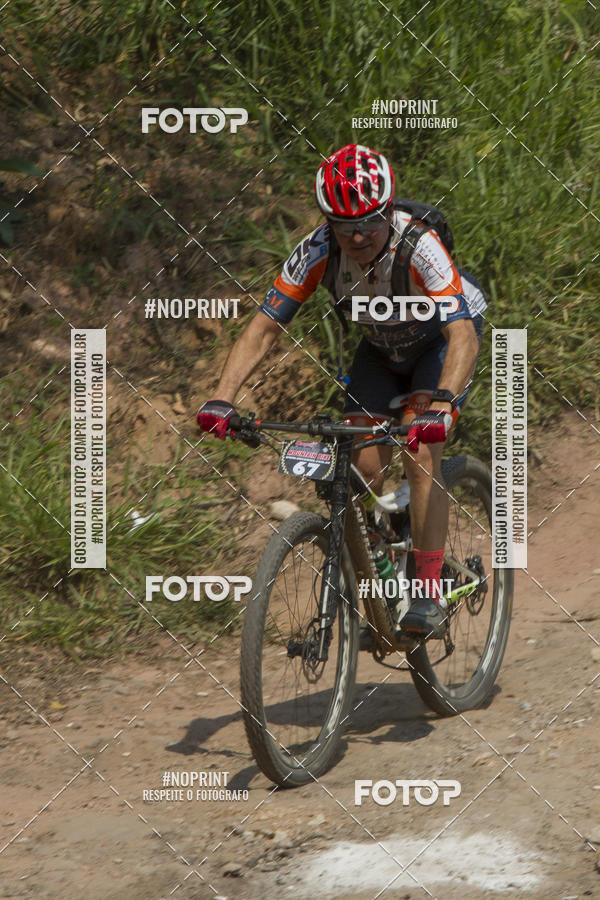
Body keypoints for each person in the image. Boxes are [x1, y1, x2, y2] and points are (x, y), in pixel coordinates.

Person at [197, 143, 486, 639]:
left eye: (370, 222)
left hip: (439, 344)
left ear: (388, 210)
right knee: (360, 466)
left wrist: (439, 407)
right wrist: (223, 397)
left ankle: (430, 588)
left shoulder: (419, 246)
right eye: (343, 224)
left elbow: (461, 335)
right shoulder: (316, 251)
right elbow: (265, 326)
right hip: (381, 350)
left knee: (421, 449)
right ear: (327, 220)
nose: (357, 235)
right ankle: (390, 553)